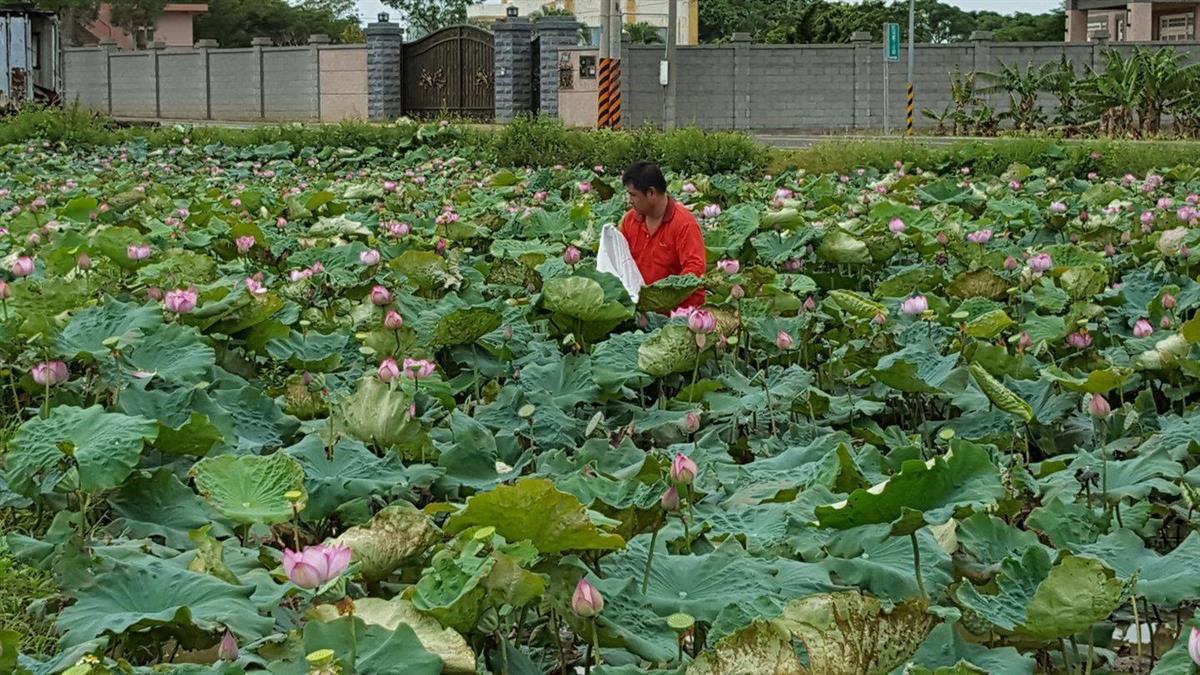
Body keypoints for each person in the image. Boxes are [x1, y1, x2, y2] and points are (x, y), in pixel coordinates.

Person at [620, 162, 707, 310]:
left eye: (633, 195)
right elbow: (620, 260)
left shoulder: (685, 224)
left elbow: (695, 269)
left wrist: (662, 296)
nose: (630, 200)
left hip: (680, 312)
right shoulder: (630, 220)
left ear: (651, 193)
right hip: (639, 307)